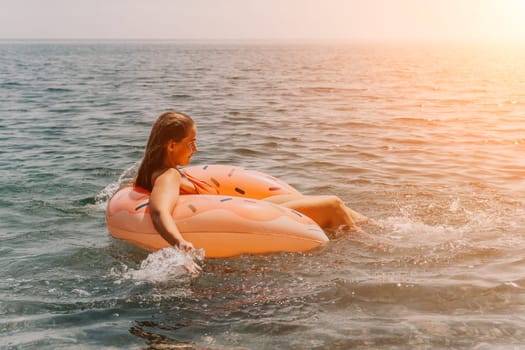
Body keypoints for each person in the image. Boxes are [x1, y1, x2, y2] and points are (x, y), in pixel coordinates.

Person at [135, 111, 368, 255]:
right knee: (332, 204)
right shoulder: (168, 176)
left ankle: (375, 229)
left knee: (322, 202)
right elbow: (158, 211)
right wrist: (179, 243)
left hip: (240, 208)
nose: (196, 149)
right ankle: (367, 247)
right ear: (171, 145)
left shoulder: (165, 171)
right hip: (236, 220)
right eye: (191, 142)